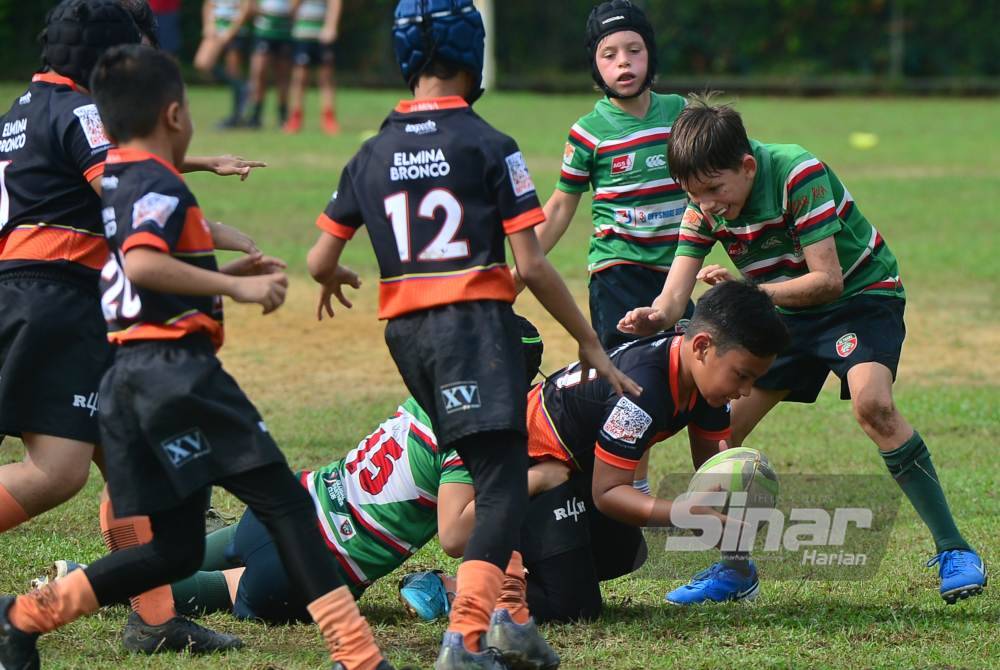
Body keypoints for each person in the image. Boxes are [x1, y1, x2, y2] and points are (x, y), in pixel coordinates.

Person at [0, 44, 401, 670]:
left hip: (128, 385)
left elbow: (140, 272)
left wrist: (217, 270)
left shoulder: (117, 184)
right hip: (179, 378)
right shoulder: (158, 181)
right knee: (287, 505)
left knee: (176, 550)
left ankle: (25, 618)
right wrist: (235, 286)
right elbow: (140, 262)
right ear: (175, 115)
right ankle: (359, 656)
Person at [306, 2, 639, 667]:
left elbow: (319, 258)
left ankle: (510, 623)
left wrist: (336, 275)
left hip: (406, 336)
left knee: (490, 472)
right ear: (473, 52)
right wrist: (588, 340)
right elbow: (532, 262)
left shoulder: (370, 153)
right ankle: (467, 637)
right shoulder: (489, 145)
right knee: (502, 486)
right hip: (473, 331)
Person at [619, 95, 987, 606]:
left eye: (714, 191)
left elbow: (828, 281)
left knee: (873, 406)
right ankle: (734, 569)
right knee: (721, 434)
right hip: (782, 313)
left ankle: (954, 550)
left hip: (860, 299)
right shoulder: (704, 201)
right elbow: (676, 288)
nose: (707, 206)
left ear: (747, 166)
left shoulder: (796, 173)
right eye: (695, 195)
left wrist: (748, 292)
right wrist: (656, 315)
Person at [404, 280, 789, 623]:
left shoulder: (705, 383)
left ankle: (520, 569)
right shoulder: (643, 391)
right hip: (526, 471)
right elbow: (608, 494)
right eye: (742, 375)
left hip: (569, 474)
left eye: (754, 379)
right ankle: (450, 589)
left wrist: (728, 501)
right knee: (572, 605)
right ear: (703, 346)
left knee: (621, 551)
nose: (744, 391)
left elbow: (712, 468)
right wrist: (688, 514)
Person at [283, 0, 342, 134]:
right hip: (302, 32)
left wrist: (331, 26)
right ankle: (295, 116)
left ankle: (328, 117)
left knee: (326, 77)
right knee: (300, 77)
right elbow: (291, 9)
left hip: (323, 33)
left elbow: (335, 4)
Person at [196, 0, 254, 128]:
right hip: (216, 28)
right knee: (202, 63)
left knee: (233, 71)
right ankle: (243, 87)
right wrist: (208, 25)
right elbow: (208, 4)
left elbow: (247, 8)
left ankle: (236, 116)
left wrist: (231, 32)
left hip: (236, 31)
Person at [246, 0, 294, 128]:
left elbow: (294, 8)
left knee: (283, 76)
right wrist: (267, 12)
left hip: (284, 33)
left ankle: (283, 116)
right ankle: (256, 115)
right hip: (263, 32)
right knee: (259, 71)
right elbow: (250, 7)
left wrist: (284, 13)